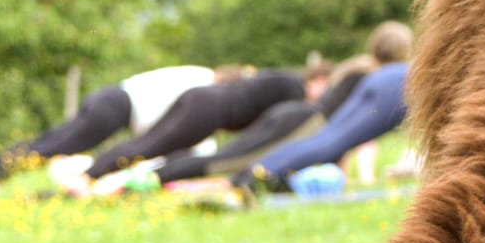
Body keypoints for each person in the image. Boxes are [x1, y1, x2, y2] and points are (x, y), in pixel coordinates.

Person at [152, 22, 414, 187]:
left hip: (294, 114)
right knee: (227, 161)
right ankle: (155, 178)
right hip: (304, 121)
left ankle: (155, 176)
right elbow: (339, 136)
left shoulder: (358, 66)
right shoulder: (378, 77)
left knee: (227, 157)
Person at [71, 63, 333, 194]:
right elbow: (274, 132)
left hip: (202, 99)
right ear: (317, 80)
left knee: (151, 143)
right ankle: (89, 177)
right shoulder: (294, 90)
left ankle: (95, 175)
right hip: (208, 108)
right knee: (151, 146)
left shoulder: (282, 79)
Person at [0, 64, 220, 192]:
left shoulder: (202, 76)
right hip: (118, 105)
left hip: (114, 100)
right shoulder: (206, 86)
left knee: (57, 141)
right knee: (59, 144)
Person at [245, 51, 409, 190]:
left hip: (379, 81)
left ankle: (257, 171)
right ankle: (259, 174)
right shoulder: (395, 75)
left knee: (325, 141)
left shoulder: (370, 69)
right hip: (396, 85)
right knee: (329, 144)